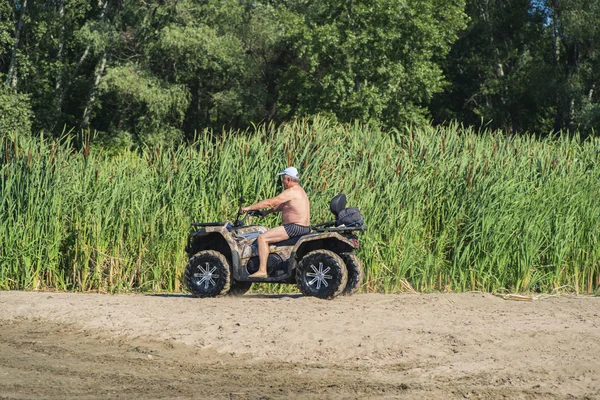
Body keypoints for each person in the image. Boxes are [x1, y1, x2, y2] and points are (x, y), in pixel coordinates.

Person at [240, 166, 310, 278]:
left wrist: (248, 208)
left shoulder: (291, 191)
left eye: (283, 179)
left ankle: (262, 270)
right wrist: (266, 213)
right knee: (268, 234)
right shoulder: (300, 190)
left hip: (294, 227)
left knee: (262, 238)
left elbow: (270, 202)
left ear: (288, 179)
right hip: (303, 227)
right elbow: (283, 205)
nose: (282, 182)